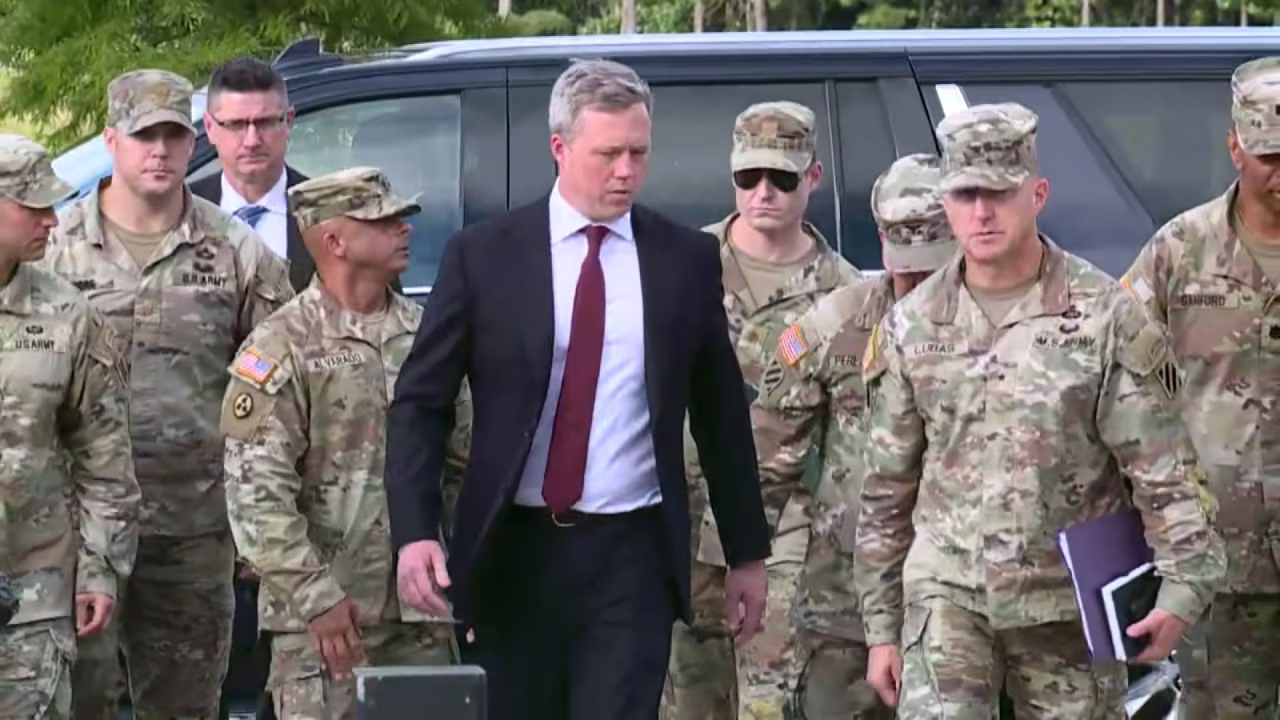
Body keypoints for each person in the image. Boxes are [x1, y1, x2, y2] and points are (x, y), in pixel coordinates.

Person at [384, 58, 771, 720]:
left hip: (631, 552)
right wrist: (415, 531)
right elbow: (422, 403)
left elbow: (721, 413)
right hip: (515, 551)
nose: (626, 171)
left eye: (638, 153)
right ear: (560, 148)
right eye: (608, 154)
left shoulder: (681, 260)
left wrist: (746, 553)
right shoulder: (486, 256)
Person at [854, 102, 1226, 718]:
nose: (981, 212)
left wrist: (1183, 586)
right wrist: (881, 629)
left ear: (1039, 193)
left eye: (1000, 193)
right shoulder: (911, 326)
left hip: (1066, 605)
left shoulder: (1103, 316)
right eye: (966, 193)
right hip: (948, 597)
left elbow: (1161, 465)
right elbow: (886, 489)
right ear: (946, 202)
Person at [41, 68, 295, 720]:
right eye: (143, 134)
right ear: (111, 141)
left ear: (192, 142)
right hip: (76, 536)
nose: (159, 150)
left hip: (193, 530)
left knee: (185, 709)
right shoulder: (57, 252)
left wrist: (250, 500)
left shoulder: (236, 251)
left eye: (173, 135)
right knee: (74, 704)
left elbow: (279, 381)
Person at [219, 166, 469, 719]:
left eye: (402, 217)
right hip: (326, 627)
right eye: (382, 220)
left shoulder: (428, 333)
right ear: (334, 240)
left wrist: (470, 579)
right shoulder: (280, 347)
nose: (403, 228)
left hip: (422, 616)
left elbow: (463, 465)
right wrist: (316, 598)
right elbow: (255, 496)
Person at [663, 100, 860, 720]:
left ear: (814, 178)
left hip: (785, 540)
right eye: (749, 178)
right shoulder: (678, 266)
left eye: (783, 179)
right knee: (686, 702)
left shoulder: (842, 292)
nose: (763, 193)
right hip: (682, 527)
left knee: (768, 706)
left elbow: (853, 434)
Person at [750, 152, 955, 719]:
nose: (913, 283)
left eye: (929, 266)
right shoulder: (835, 323)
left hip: (961, 595)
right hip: (844, 603)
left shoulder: (1002, 325)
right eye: (902, 266)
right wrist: (736, 566)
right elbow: (769, 457)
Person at [1120, 55, 1280, 719]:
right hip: (1224, 561)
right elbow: (1120, 387)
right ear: (1234, 146)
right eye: (1268, 154)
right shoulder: (1178, 253)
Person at [0, 134, 140, 719]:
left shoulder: (67, 315)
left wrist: (100, 569)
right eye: (32, 205)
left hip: (34, 597)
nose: (52, 221)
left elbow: (105, 458)